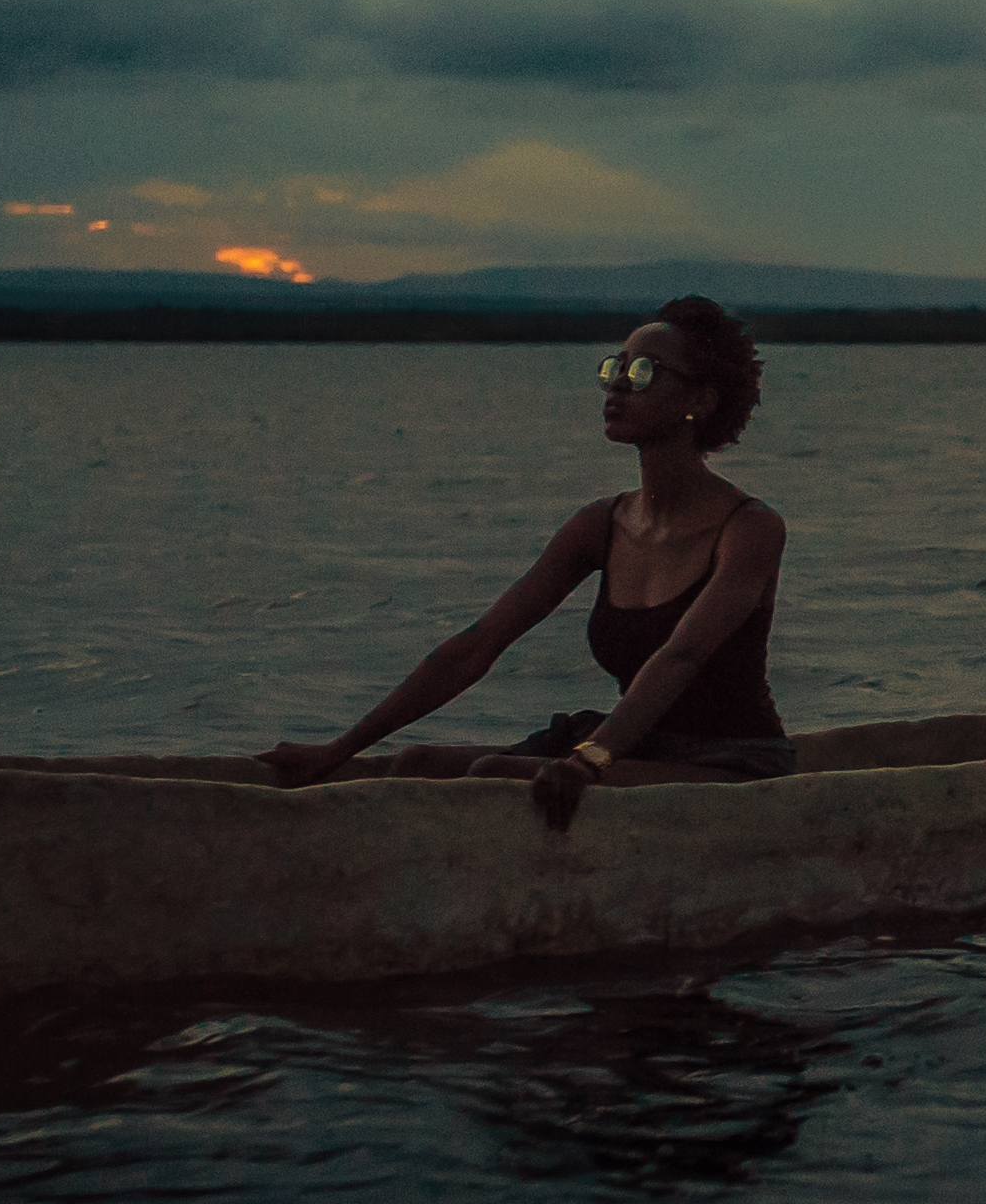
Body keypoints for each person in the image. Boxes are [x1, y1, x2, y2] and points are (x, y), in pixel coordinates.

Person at [260, 296, 795, 819]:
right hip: (636, 748)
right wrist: (338, 751)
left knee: (492, 777)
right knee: (414, 762)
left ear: (700, 401)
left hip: (729, 763)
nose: (616, 385)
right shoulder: (598, 526)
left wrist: (591, 759)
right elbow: (478, 645)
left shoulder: (749, 528)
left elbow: (683, 656)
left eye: (644, 372)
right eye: (616, 367)